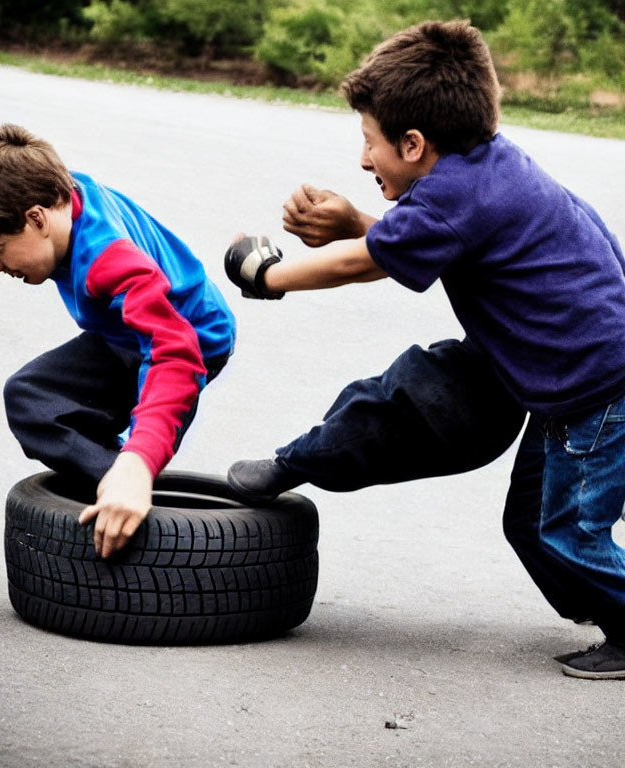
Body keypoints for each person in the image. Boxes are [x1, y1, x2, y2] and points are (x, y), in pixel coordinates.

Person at [224, 20, 625, 679]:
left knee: (571, 533)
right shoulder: (486, 166)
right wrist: (355, 222)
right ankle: (608, 607)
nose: (361, 160)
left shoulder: (458, 194)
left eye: (368, 142)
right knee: (532, 526)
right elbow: (418, 238)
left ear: (413, 144)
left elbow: (359, 265)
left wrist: (267, 277)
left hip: (595, 392)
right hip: (571, 379)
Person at [0, 124, 235, 558]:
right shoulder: (58, 191)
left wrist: (140, 460)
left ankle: (137, 501)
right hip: (124, 334)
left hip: (190, 340)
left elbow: (175, 354)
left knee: (143, 439)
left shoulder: (109, 262)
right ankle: (117, 484)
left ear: (36, 218)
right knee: (31, 397)